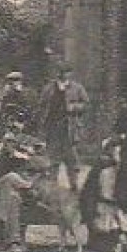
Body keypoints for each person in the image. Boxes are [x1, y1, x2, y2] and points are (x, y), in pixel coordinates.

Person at [81, 109, 127, 252]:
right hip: (116, 180)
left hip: (116, 180)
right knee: (119, 206)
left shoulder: (114, 142)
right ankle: (120, 239)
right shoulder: (126, 143)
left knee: (117, 206)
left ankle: (120, 239)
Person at [38, 60, 91, 190]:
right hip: (53, 128)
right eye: (60, 72)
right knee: (53, 158)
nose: (63, 75)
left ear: (70, 74)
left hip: (70, 128)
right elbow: (41, 106)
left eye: (66, 72)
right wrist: (43, 122)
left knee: (71, 158)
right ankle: (52, 187)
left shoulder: (77, 88)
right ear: (57, 73)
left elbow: (86, 105)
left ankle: (74, 185)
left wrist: (73, 107)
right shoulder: (49, 88)